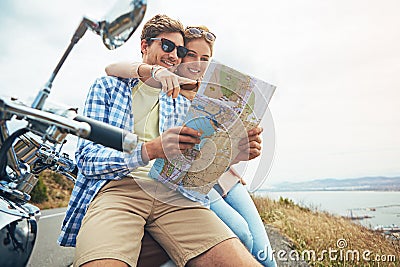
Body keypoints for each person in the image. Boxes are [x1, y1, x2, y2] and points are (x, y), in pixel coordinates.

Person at [58, 14, 262, 267]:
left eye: (180, 50)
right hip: (118, 190)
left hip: (174, 194)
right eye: (167, 46)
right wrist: (150, 150)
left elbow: (193, 164)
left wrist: (237, 153)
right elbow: (87, 160)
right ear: (145, 46)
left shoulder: (178, 98)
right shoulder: (108, 87)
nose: (174, 55)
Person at [106, 25, 276, 266]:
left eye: (205, 59)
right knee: (242, 234)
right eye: (191, 56)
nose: (197, 64)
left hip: (225, 174)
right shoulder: (163, 88)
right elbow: (112, 68)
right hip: (191, 180)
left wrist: (241, 150)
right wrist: (155, 71)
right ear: (179, 58)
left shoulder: (212, 92)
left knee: (265, 254)